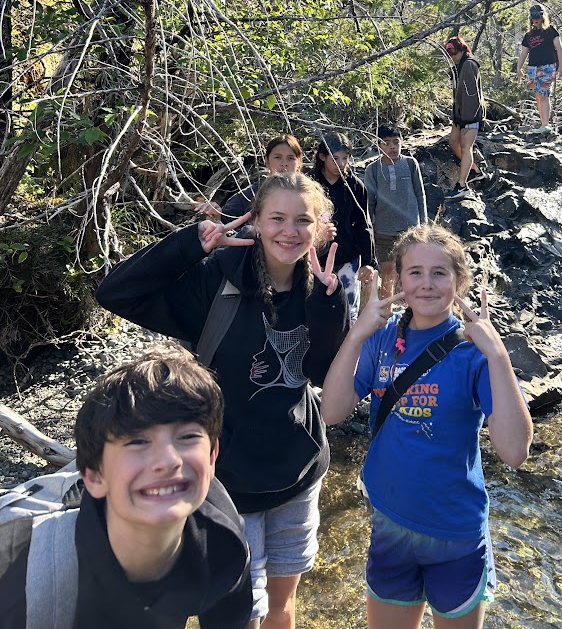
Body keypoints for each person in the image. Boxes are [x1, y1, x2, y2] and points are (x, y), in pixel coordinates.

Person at [95, 172, 350, 629]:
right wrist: (191, 244)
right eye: (276, 218)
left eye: (301, 220)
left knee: (281, 607)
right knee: (234, 615)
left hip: (300, 468)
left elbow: (322, 374)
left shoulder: (323, 285)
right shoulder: (216, 281)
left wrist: (332, 306)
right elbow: (115, 293)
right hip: (227, 478)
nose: (288, 232)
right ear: (254, 220)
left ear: (318, 225)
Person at [321, 224, 533, 629]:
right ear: (397, 278)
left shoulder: (474, 352)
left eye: (440, 273)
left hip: (455, 534)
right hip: (390, 524)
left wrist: (499, 355)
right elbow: (331, 412)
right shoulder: (382, 337)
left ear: (459, 281)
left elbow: (515, 452)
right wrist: (356, 335)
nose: (426, 284)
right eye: (415, 272)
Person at [1, 348, 253, 629]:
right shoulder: (23, 572)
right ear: (94, 476)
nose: (169, 460)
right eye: (137, 442)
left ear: (211, 457)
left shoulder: (223, 541)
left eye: (188, 436)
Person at [311, 132, 376, 322]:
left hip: (348, 256)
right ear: (322, 156)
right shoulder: (310, 183)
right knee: (317, 309)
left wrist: (368, 261)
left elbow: (364, 224)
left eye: (345, 158)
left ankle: (351, 351)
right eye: (335, 158)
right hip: (315, 257)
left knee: (350, 311)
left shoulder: (355, 186)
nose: (341, 164)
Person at [364, 124, 427, 299]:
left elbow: (420, 194)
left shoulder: (410, 163)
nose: (392, 147)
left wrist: (424, 225)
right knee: (387, 273)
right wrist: (369, 229)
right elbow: (369, 201)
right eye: (386, 143)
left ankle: (414, 310)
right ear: (378, 145)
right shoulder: (373, 169)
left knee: (412, 271)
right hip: (384, 231)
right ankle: (386, 312)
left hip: (411, 230)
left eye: (396, 142)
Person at [197, 134, 304, 222]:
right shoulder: (250, 194)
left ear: (299, 162)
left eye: (291, 158)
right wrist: (216, 216)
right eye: (278, 157)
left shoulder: (310, 193)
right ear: (266, 161)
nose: (284, 163)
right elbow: (224, 221)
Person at [443, 36, 488, 199]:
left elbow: (471, 96)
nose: (452, 57)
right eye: (450, 55)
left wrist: (467, 121)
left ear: (462, 50)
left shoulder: (469, 65)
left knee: (466, 147)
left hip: (470, 116)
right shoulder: (459, 65)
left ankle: (462, 186)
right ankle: (474, 170)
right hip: (460, 115)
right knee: (453, 142)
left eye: (454, 53)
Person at [516, 3, 562, 133]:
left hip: (548, 66)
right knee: (538, 95)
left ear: (543, 17)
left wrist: (561, 66)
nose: (535, 20)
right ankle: (543, 124)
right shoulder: (528, 36)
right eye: (533, 17)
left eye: (537, 17)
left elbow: (559, 48)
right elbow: (524, 53)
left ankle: (545, 125)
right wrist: (519, 68)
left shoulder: (550, 31)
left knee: (544, 94)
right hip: (533, 68)